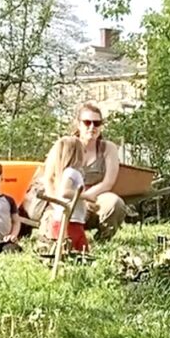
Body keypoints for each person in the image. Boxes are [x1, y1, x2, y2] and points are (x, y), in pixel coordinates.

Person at [25, 103, 128, 241]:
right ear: (78, 124)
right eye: (87, 122)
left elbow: (108, 182)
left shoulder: (108, 148)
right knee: (51, 232)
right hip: (60, 197)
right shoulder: (63, 145)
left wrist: (85, 198)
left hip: (93, 197)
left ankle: (103, 239)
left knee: (115, 203)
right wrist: (58, 204)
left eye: (97, 123)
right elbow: (49, 179)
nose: (92, 127)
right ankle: (54, 240)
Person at [43, 136, 90, 253]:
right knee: (78, 250)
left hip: (72, 220)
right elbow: (65, 192)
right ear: (76, 154)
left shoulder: (70, 172)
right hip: (69, 221)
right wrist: (86, 196)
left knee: (77, 249)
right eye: (83, 152)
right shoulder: (71, 172)